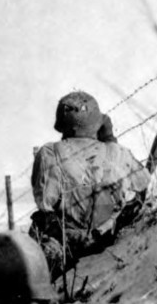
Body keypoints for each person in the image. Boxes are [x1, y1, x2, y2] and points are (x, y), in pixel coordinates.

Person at [29, 91, 150, 274]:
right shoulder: (117, 152)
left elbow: (45, 202)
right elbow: (143, 182)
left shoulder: (50, 153)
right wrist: (110, 140)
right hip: (108, 239)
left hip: (67, 245)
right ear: (98, 122)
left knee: (38, 223)